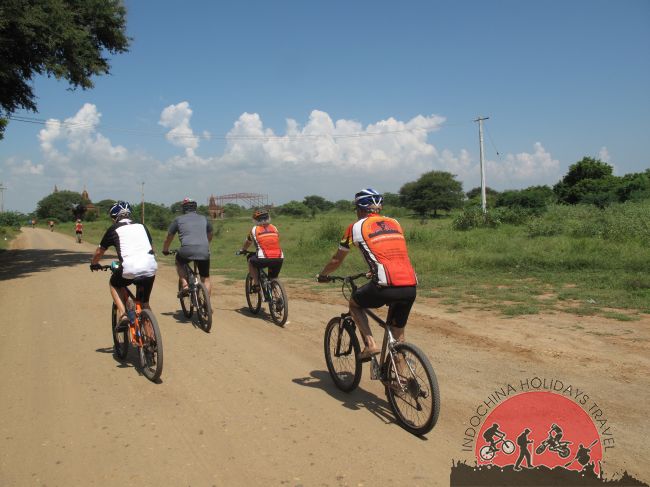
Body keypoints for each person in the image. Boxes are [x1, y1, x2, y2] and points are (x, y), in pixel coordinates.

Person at [317, 188, 417, 359]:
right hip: (410, 285)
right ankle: (400, 382)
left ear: (360, 209)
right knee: (398, 335)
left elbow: (337, 259)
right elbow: (388, 252)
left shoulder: (354, 228)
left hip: (385, 285)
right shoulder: (395, 223)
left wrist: (322, 275)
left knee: (355, 304)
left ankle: (370, 345)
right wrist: (374, 270)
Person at [90, 201, 158, 321]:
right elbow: (152, 248)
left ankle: (123, 314)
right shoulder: (142, 226)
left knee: (114, 284)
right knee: (144, 303)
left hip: (129, 268)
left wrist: (94, 264)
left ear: (114, 217)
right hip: (150, 266)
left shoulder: (113, 229)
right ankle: (151, 334)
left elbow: (99, 251)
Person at [162, 198, 213, 297]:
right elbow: (210, 233)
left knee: (179, 262)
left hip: (186, 251)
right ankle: (207, 305)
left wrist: (165, 249)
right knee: (205, 278)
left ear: (183, 209)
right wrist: (206, 244)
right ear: (195, 208)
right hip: (203, 251)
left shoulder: (178, 219)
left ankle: (185, 285)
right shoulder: (204, 218)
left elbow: (169, 236)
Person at [238, 209, 283, 296]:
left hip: (263, 258)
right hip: (279, 257)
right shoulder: (274, 227)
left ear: (255, 220)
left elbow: (248, 242)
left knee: (251, 261)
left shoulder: (254, 229)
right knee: (273, 278)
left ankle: (257, 285)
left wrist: (243, 250)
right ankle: (278, 299)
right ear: (268, 218)